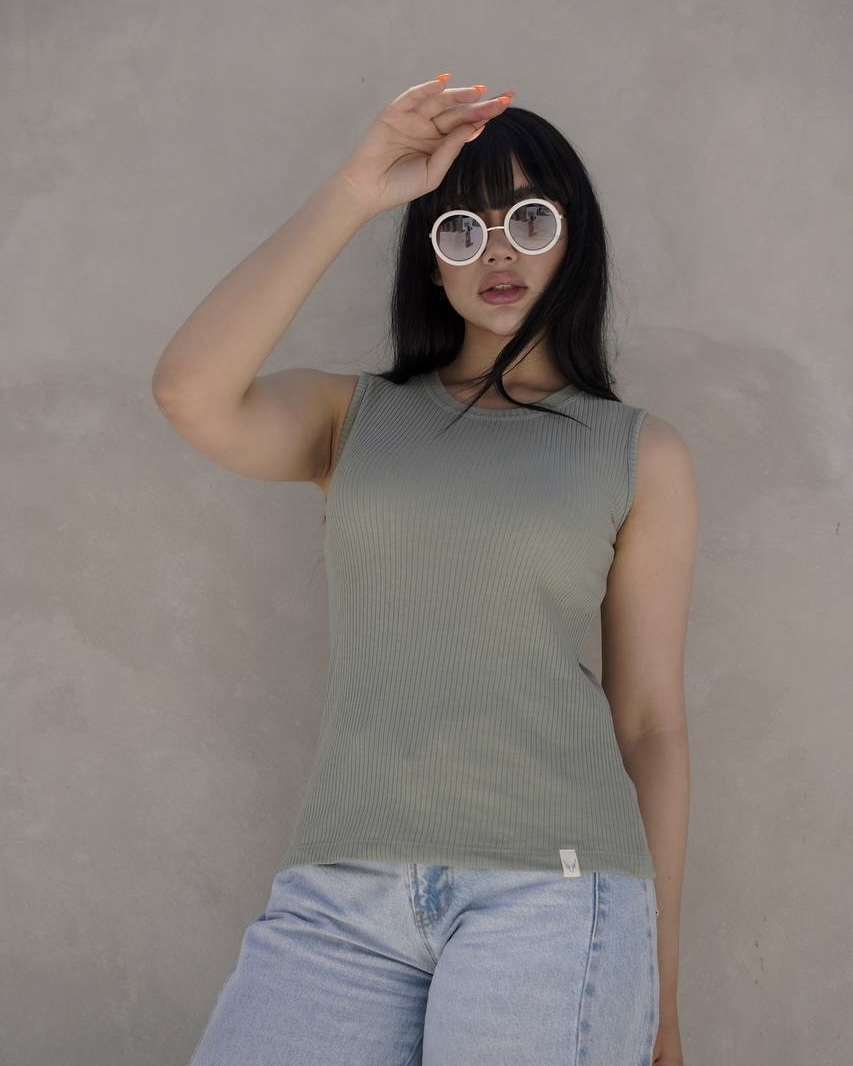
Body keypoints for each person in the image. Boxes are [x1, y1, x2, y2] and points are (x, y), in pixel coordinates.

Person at [153, 73, 697, 1066]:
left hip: (556, 888)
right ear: (431, 267)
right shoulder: (352, 418)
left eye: (528, 219)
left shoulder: (636, 452)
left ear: (573, 238)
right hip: (339, 895)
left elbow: (649, 725)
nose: (497, 250)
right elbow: (191, 392)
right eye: (459, 229)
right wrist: (357, 189)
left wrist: (658, 994)